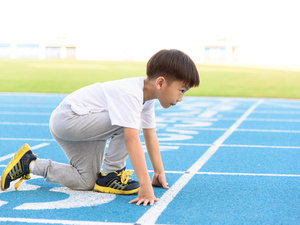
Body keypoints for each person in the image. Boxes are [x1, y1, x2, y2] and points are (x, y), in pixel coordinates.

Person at [0, 49, 200, 206]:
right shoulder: (131, 94)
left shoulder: (146, 101)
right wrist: (145, 186)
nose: (180, 98)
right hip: (69, 119)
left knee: (85, 181)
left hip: (84, 126)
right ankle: (112, 174)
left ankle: (30, 164)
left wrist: (158, 172)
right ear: (161, 82)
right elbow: (132, 139)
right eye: (181, 91)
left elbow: (150, 135)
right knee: (129, 122)